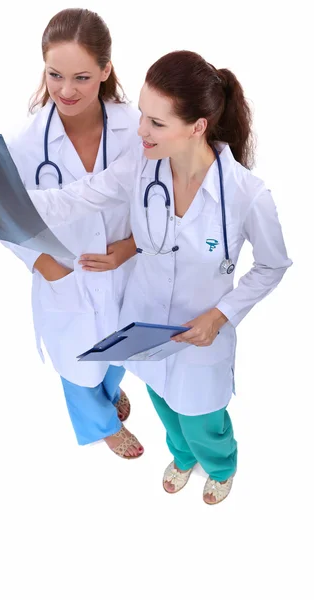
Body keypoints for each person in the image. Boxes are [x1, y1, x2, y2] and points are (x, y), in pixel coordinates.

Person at [18, 50, 291, 504]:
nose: (140, 131)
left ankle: (220, 465)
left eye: (156, 124)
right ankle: (183, 458)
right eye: (142, 116)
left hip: (201, 334)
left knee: (204, 417)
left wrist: (221, 315)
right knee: (164, 405)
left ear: (198, 126)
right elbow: (72, 198)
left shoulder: (247, 196)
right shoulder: (143, 167)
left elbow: (272, 265)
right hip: (145, 325)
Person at [0, 8, 144, 459]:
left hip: (130, 268)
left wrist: (130, 250)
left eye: (83, 77)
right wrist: (47, 266)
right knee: (78, 366)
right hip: (64, 276)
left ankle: (110, 392)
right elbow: (3, 218)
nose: (66, 91)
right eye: (55, 74)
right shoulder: (22, 143)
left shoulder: (137, 127)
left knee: (124, 350)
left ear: (106, 70)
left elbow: (160, 197)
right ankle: (103, 424)